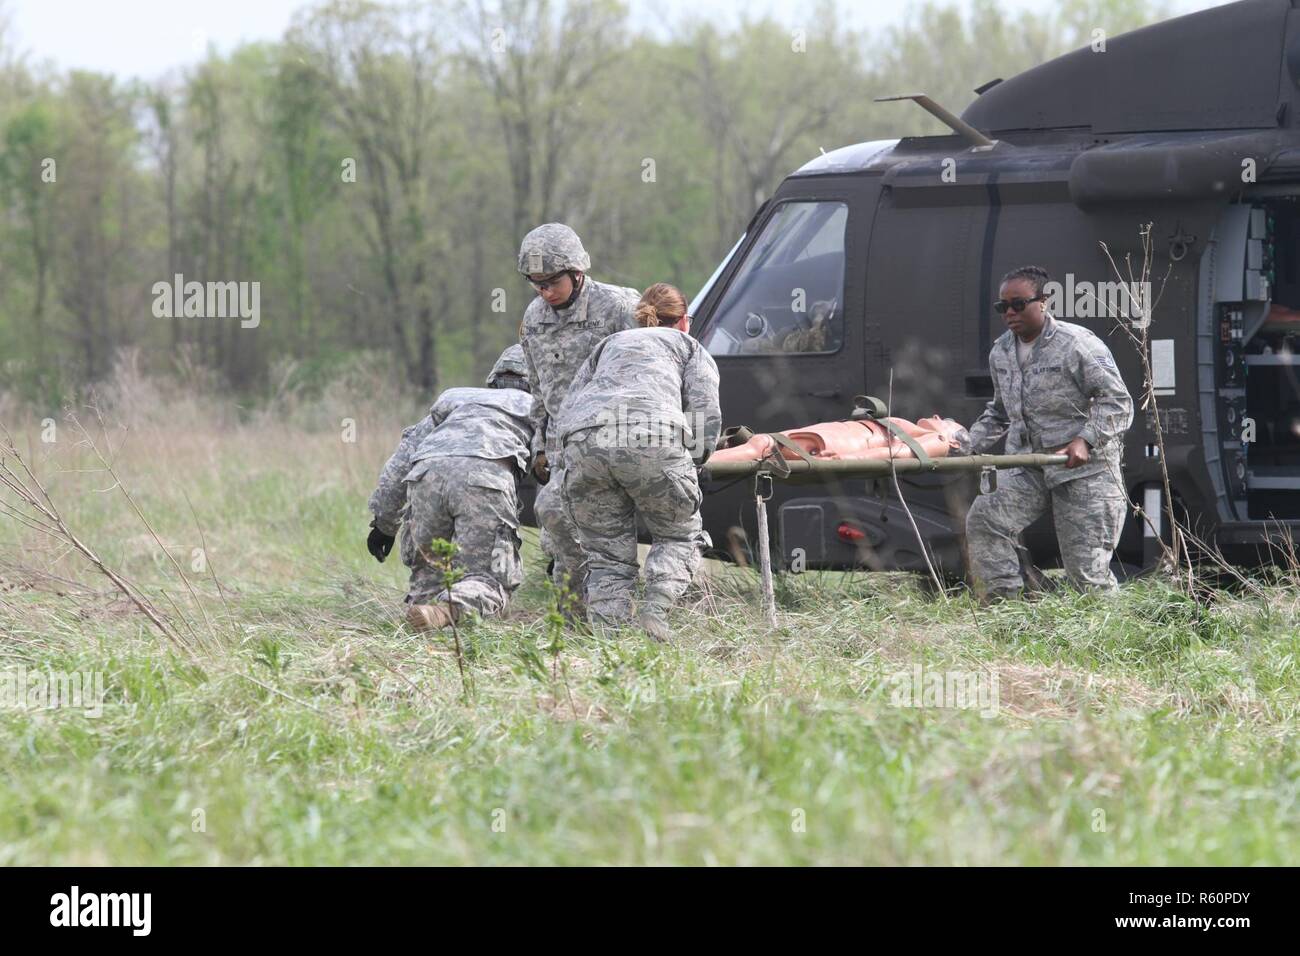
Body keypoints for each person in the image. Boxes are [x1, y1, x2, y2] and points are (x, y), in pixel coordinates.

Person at [556, 283, 721, 641]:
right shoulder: (688, 347)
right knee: (678, 535)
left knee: (605, 554)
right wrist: (694, 461)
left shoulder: (608, 346)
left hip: (585, 445)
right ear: (684, 321)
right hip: (653, 439)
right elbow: (703, 413)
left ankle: (609, 639)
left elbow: (568, 407)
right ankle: (655, 613)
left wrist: (565, 460)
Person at [965, 265, 1134, 599]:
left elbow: (1117, 402)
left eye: (1018, 304)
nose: (1010, 313)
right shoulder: (1001, 351)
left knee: (1087, 575)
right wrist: (966, 444)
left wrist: (1085, 440)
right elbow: (1000, 411)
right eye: (1003, 307)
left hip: (1085, 473)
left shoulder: (1077, 344)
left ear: (1044, 301)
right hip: (1029, 466)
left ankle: (1111, 640)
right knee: (984, 520)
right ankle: (1006, 611)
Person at [516, 223, 639, 611]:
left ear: (576, 272)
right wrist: (539, 447)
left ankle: (618, 607)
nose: (545, 292)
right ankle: (575, 624)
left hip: (614, 439)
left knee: (584, 521)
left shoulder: (620, 307)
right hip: (562, 445)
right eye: (536, 284)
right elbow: (538, 390)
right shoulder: (534, 318)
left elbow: (653, 373)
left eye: (552, 282)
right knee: (553, 519)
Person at [367, 345, 533, 630]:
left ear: (493, 379)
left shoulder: (455, 399)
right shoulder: (537, 407)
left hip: (426, 473)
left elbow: (401, 462)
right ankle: (445, 612)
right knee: (488, 578)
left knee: (429, 575)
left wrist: (384, 524)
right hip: (485, 475)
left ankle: (425, 620)